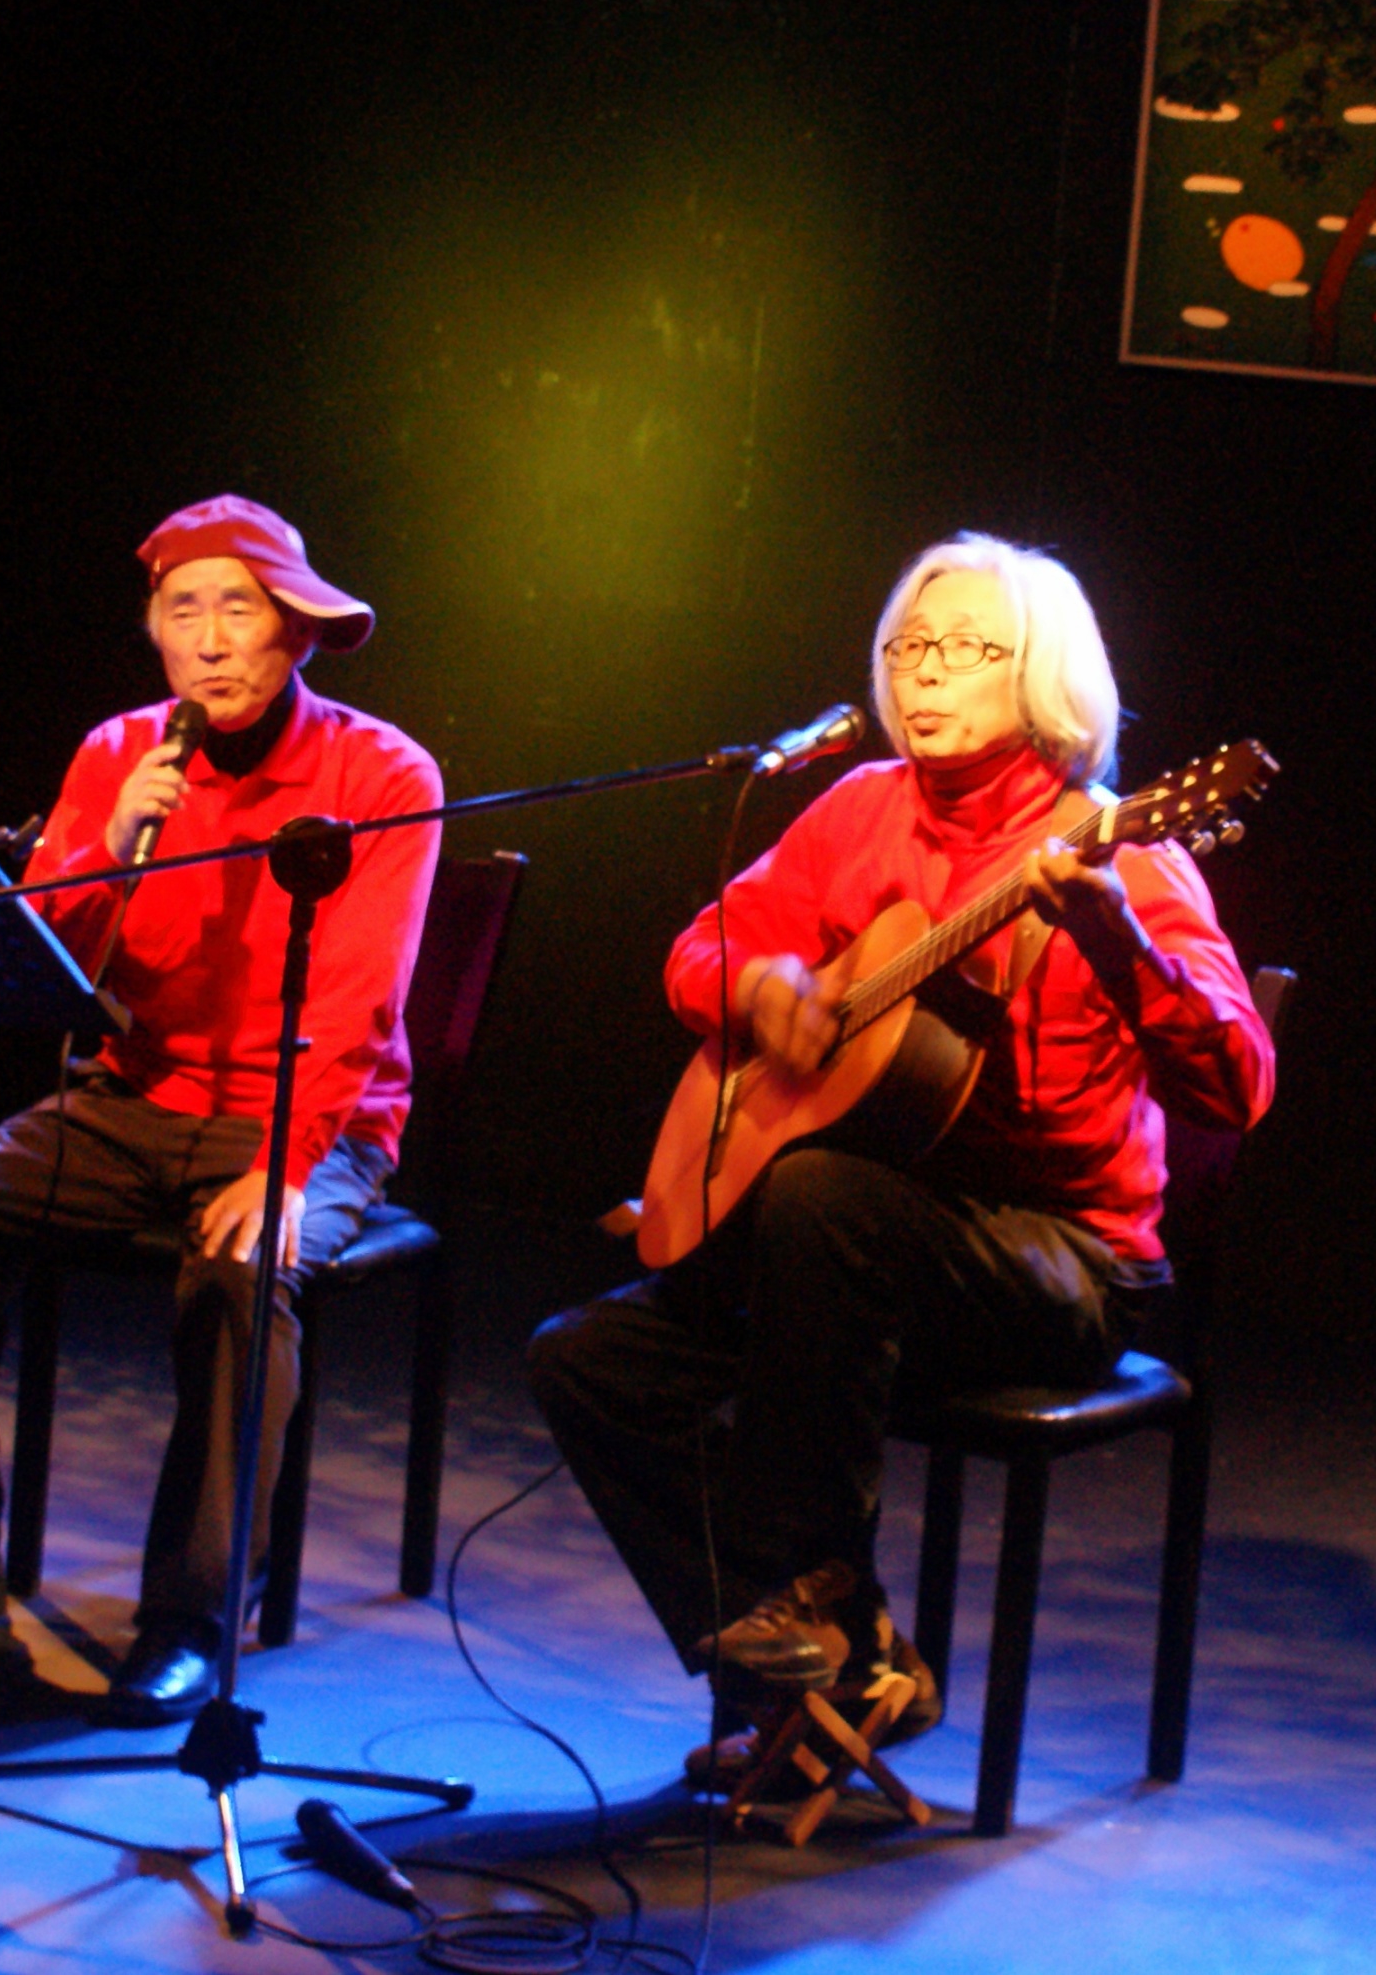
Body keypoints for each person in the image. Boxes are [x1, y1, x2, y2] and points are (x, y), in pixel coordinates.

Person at [526, 532, 1273, 1768]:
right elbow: (699, 950)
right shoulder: (859, 808)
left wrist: (1121, 946)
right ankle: (846, 1658)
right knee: (587, 1358)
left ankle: (800, 1674)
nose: (926, 671)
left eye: (967, 648)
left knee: (824, 1195)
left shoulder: (1128, 849)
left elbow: (1238, 1086)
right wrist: (760, 990)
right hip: (849, 1261)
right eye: (910, 645)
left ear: (1042, 674)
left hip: (1062, 1263)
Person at [0, 496, 443, 1724]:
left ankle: (189, 1619)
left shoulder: (383, 771)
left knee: (236, 1275)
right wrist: (107, 848)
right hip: (134, 1093)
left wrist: (284, 1166)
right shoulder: (116, 753)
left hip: (306, 1116)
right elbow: (47, 965)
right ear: (155, 631)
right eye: (184, 611)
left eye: (240, 610)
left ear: (297, 631)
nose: (211, 640)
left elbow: (360, 1002)